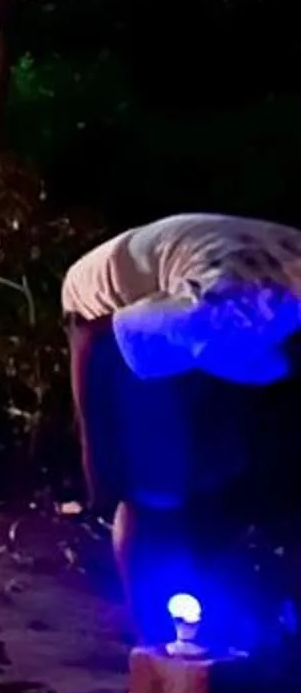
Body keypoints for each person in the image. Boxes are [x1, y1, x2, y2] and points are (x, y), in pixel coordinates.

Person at [63, 213, 301, 623]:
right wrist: (93, 447)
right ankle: (157, 650)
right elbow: (92, 336)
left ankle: (228, 608)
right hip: (108, 306)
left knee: (226, 462)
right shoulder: (232, 314)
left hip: (210, 277)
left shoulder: (253, 323)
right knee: (158, 489)